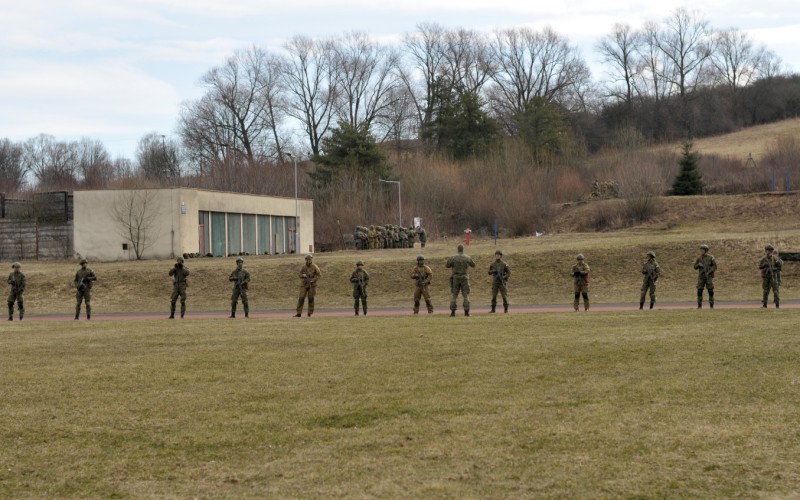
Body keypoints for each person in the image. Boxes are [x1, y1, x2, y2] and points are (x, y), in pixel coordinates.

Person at [446, 244, 476, 316]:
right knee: (466, 295)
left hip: (455, 278)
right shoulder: (467, 257)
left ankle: (453, 312)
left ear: (457, 250)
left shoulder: (453, 258)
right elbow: (473, 265)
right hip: (464, 278)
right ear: (463, 250)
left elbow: (447, 265)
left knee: (454, 295)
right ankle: (466, 312)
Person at [759, 244, 783, 308]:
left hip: (773, 276)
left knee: (775, 290)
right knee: (765, 290)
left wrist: (774, 269)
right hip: (766, 276)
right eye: (767, 251)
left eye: (769, 251)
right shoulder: (763, 259)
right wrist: (765, 267)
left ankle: (777, 305)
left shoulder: (775, 258)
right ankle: (765, 304)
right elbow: (760, 266)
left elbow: (780, 267)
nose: (768, 252)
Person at [694, 244, 717, 309]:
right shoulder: (699, 258)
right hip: (701, 277)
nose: (701, 251)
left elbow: (715, 266)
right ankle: (699, 306)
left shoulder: (711, 258)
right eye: (700, 250)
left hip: (708, 276)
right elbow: (695, 267)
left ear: (706, 250)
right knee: (699, 290)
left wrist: (709, 272)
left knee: (710, 290)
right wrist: (698, 265)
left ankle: (711, 306)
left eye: (702, 250)